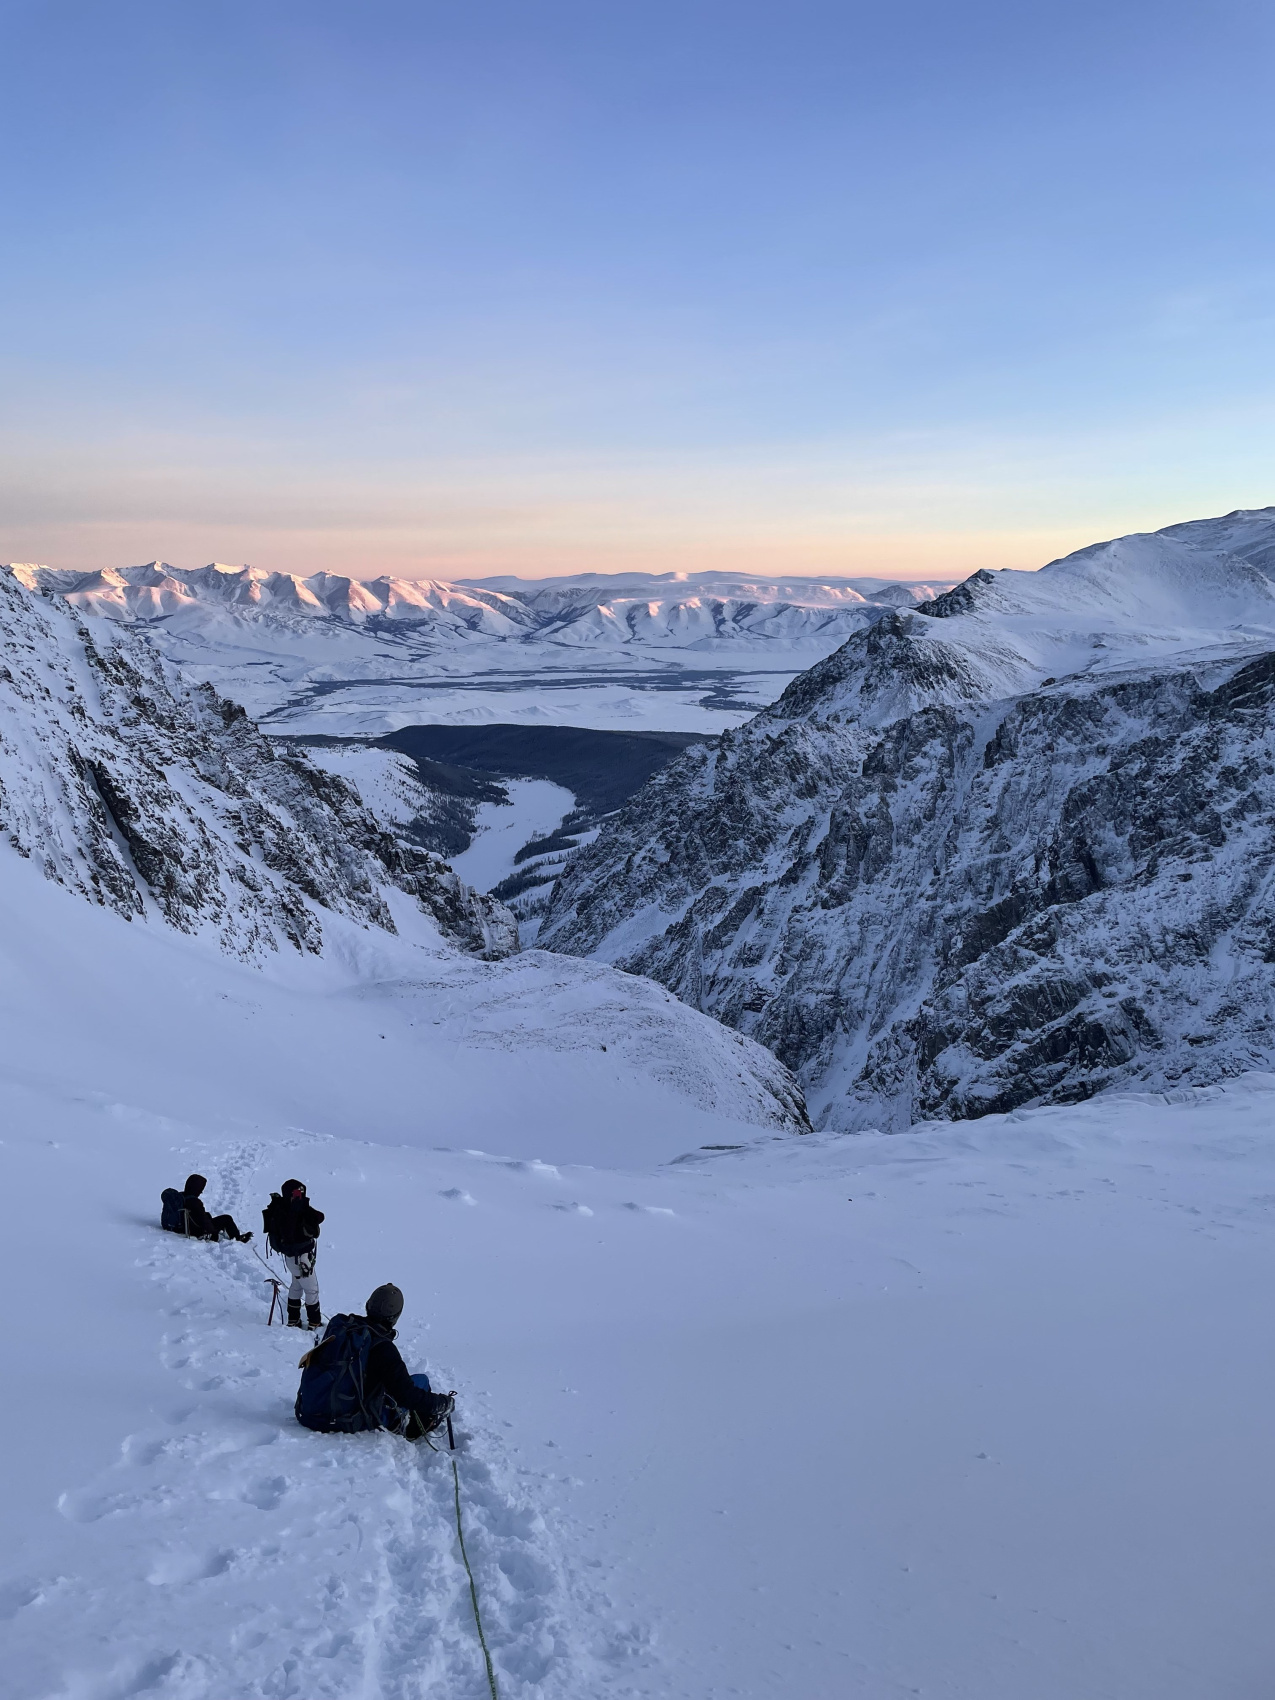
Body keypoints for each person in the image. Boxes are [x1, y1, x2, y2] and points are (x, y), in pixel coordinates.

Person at [294, 1283, 455, 1440]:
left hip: (312, 1411)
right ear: (395, 1317)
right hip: (353, 1416)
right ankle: (412, 1432)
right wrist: (441, 1403)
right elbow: (407, 1395)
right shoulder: (384, 1348)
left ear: (368, 1305)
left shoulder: (343, 1327)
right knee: (421, 1381)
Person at [262, 1178, 325, 1329]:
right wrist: (297, 1209)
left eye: (302, 1192)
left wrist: (302, 1205)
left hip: (295, 1257)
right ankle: (314, 1322)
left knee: (296, 1286)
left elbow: (319, 1217)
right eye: (298, 1192)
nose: (300, 1195)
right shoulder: (287, 1211)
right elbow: (291, 1233)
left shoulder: (291, 1208)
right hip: (299, 1257)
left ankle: (293, 1319)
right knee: (312, 1290)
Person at [159, 1174, 252, 1243]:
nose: (201, 1192)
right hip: (195, 1230)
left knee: (207, 1215)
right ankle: (237, 1238)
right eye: (200, 1189)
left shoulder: (181, 1197)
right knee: (227, 1218)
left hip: (181, 1227)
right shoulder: (195, 1202)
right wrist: (214, 1234)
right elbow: (203, 1220)